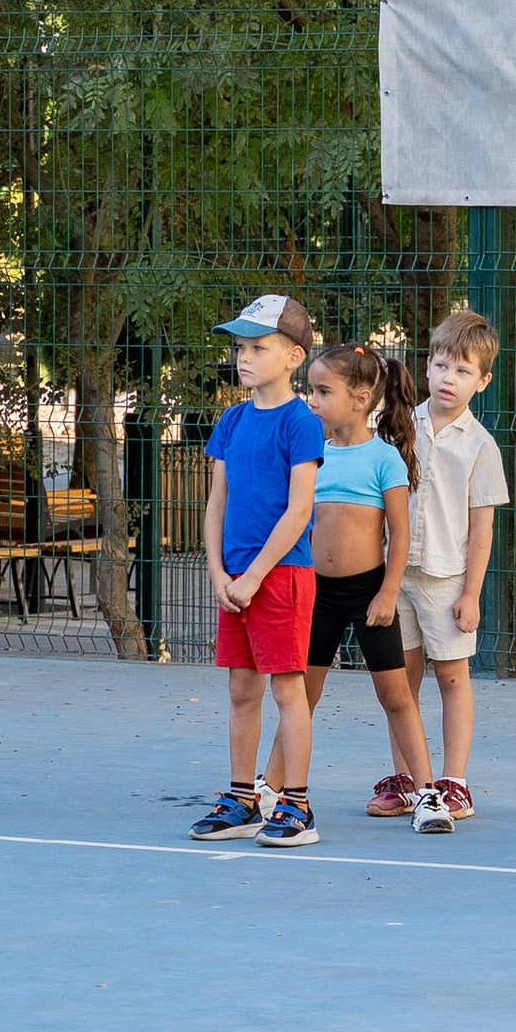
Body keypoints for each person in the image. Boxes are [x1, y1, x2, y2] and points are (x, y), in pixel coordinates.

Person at [190, 294, 324, 847]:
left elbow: (299, 512)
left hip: (283, 577)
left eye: (258, 347)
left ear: (293, 357)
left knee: (288, 690)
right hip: (235, 582)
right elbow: (216, 503)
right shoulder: (231, 420)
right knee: (241, 689)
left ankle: (296, 805)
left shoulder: (302, 423)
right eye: (240, 348)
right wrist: (218, 573)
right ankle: (242, 799)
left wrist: (254, 576)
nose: (244, 357)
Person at [298, 340, 445, 829]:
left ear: (361, 399)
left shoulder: (385, 459)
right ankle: (273, 788)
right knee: (300, 697)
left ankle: (427, 795)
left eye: (323, 392)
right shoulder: (312, 454)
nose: (312, 401)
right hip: (316, 596)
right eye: (311, 391)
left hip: (369, 595)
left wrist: (386, 593)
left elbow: (400, 535)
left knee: (396, 696)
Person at [393, 309, 508, 824]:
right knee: (400, 681)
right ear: (427, 366)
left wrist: (471, 593)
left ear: (482, 381)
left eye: (463, 371)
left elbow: (481, 528)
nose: (448, 378)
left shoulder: (481, 445)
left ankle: (454, 782)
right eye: (441, 366)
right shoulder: (398, 427)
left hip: (446, 581)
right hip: (394, 576)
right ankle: (406, 781)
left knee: (453, 678)